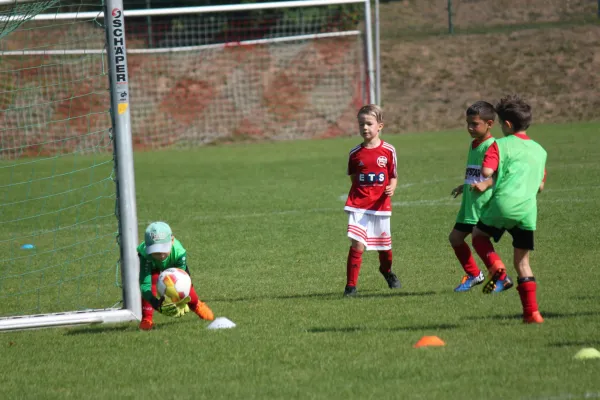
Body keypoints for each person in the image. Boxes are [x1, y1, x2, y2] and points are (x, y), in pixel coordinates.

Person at [470, 95, 547, 323]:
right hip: (527, 211)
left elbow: (486, 172)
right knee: (523, 263)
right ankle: (532, 313)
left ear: (507, 125)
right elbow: (541, 186)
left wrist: (490, 168)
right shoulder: (540, 150)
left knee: (478, 236)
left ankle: (497, 271)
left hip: (503, 205)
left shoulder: (499, 144)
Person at [450, 101, 513, 292]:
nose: (470, 128)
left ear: (490, 124)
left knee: (479, 240)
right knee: (455, 238)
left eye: (475, 124)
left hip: (483, 205)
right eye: (468, 123)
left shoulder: (493, 146)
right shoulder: (474, 144)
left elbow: (501, 175)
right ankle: (474, 275)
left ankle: (501, 275)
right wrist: (465, 185)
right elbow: (476, 172)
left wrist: (486, 183)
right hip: (470, 203)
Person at [343, 104, 400, 297]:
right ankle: (350, 287)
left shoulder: (389, 151)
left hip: (380, 206)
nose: (365, 128)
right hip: (358, 205)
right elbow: (353, 177)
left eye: (369, 123)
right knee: (357, 244)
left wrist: (392, 186)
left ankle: (386, 271)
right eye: (361, 124)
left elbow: (393, 175)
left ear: (380, 126)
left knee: (385, 249)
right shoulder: (354, 153)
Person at [137, 221, 215, 330]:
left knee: (184, 288)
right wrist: (155, 303)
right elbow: (145, 285)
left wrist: (180, 301)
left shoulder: (179, 252)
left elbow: (183, 281)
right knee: (151, 285)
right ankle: (147, 319)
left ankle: (197, 305)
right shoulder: (145, 255)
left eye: (164, 249)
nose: (161, 255)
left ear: (172, 241)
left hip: (174, 265)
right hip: (152, 265)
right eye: (156, 252)